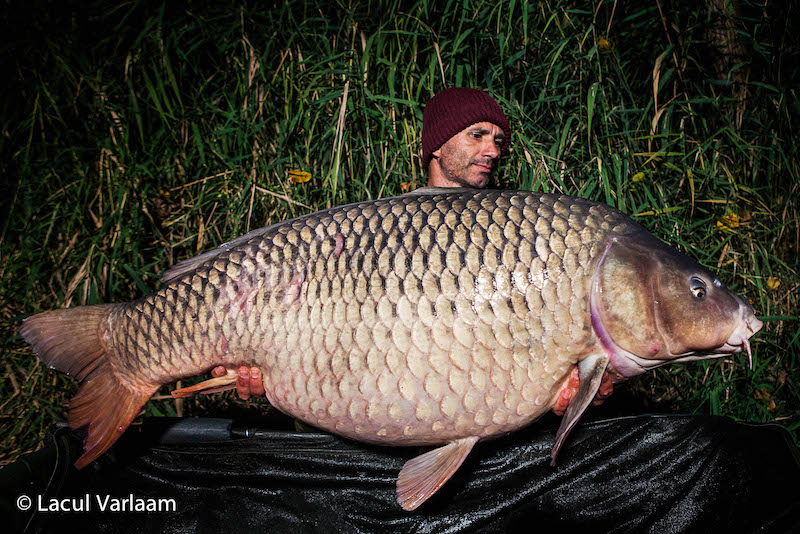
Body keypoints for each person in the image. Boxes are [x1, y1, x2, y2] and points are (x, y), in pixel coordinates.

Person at [208, 87, 515, 400]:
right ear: (438, 145)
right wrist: (275, 368)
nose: (492, 150)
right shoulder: (369, 229)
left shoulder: (512, 227)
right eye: (477, 135)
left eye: (498, 141)